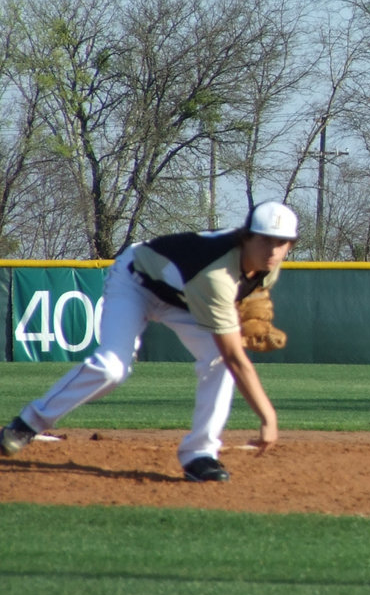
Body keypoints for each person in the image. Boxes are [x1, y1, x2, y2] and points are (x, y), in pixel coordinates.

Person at [0, 201, 299, 482]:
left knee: (216, 361)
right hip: (136, 282)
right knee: (112, 369)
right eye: (264, 239)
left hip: (184, 300)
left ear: (290, 245)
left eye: (281, 242)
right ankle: (27, 424)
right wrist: (268, 416)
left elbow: (243, 300)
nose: (272, 249)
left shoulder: (267, 268)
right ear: (245, 237)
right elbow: (236, 356)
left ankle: (200, 454)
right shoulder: (215, 272)